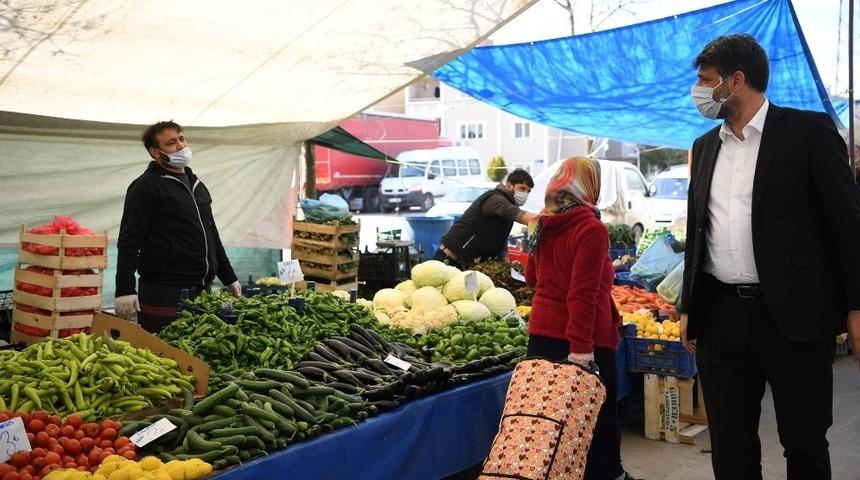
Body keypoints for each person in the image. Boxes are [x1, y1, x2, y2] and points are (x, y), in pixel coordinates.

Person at [679, 34, 860, 480]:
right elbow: (698, 231)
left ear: (736, 81)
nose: (698, 92)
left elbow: (848, 226)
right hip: (721, 318)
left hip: (795, 317)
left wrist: (857, 306)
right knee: (730, 447)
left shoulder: (809, 133)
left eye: (705, 81)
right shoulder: (704, 148)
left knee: (804, 443)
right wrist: (689, 304)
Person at [525, 157, 634, 480]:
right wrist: (581, 351)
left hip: (542, 333)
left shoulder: (541, 222)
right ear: (589, 185)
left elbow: (532, 277)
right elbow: (583, 294)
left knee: (546, 419)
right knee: (597, 415)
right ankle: (608, 474)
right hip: (585, 338)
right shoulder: (591, 228)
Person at [115, 121, 241, 333]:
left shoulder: (196, 184)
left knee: (198, 354)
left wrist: (229, 276)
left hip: (202, 292)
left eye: (182, 139)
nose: (181, 146)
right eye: (171, 143)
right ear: (155, 152)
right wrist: (125, 289)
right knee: (165, 354)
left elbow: (212, 235)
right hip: (164, 293)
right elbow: (129, 240)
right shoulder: (146, 186)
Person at [434, 169, 537, 268]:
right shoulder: (496, 199)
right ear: (509, 185)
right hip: (450, 259)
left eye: (528, 191)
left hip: (468, 264)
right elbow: (523, 217)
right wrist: (548, 218)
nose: (525, 194)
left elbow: (501, 240)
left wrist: (506, 265)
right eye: (522, 188)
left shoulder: (508, 207)